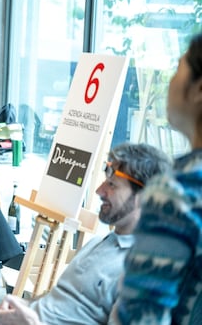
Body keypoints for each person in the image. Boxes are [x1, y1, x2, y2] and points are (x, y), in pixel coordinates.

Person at [0, 142, 172, 325]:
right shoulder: (99, 243)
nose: (99, 190)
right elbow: (58, 300)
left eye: (112, 185)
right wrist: (24, 306)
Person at [111, 33, 202, 325]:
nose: (170, 83)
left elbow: (141, 317)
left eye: (178, 69)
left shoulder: (178, 192)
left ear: (199, 89)